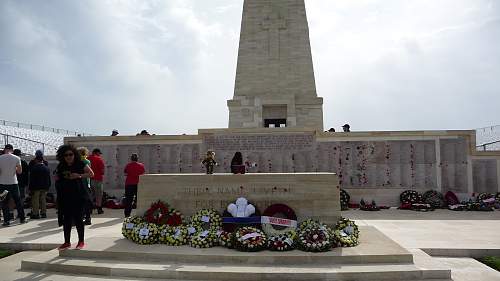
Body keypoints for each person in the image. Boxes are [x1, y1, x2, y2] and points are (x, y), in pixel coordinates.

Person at [55, 145, 94, 250]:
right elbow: (57, 177)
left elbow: (91, 174)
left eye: (70, 154)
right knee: (66, 219)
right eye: (66, 155)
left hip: (78, 195)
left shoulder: (80, 164)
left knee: (78, 219)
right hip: (65, 195)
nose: (68, 157)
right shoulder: (61, 166)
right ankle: (67, 242)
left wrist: (79, 176)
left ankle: (81, 241)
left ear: (74, 154)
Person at [0, 144, 26, 226]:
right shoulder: (17, 158)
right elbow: (19, 172)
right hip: (14, 183)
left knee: (4, 202)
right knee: (18, 201)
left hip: (3, 183)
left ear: (5, 149)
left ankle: (6, 221)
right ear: (12, 150)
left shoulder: (0, 158)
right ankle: (22, 219)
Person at [28, 152, 51, 219]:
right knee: (43, 200)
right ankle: (44, 213)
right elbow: (48, 178)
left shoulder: (34, 168)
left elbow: (32, 180)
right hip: (44, 186)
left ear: (36, 160)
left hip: (36, 187)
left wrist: (30, 188)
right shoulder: (46, 168)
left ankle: (36, 214)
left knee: (35, 200)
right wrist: (48, 186)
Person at [77, 147, 93, 225]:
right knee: (86, 201)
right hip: (87, 182)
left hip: (82, 183)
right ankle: (87, 217)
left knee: (81, 201)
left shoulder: (80, 161)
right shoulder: (87, 161)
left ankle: (83, 217)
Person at [87, 148, 105, 215]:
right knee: (99, 195)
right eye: (99, 153)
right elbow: (102, 171)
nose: (99, 155)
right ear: (96, 153)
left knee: (90, 195)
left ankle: (90, 209)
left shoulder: (87, 159)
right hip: (98, 179)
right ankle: (99, 209)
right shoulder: (99, 159)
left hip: (89, 180)